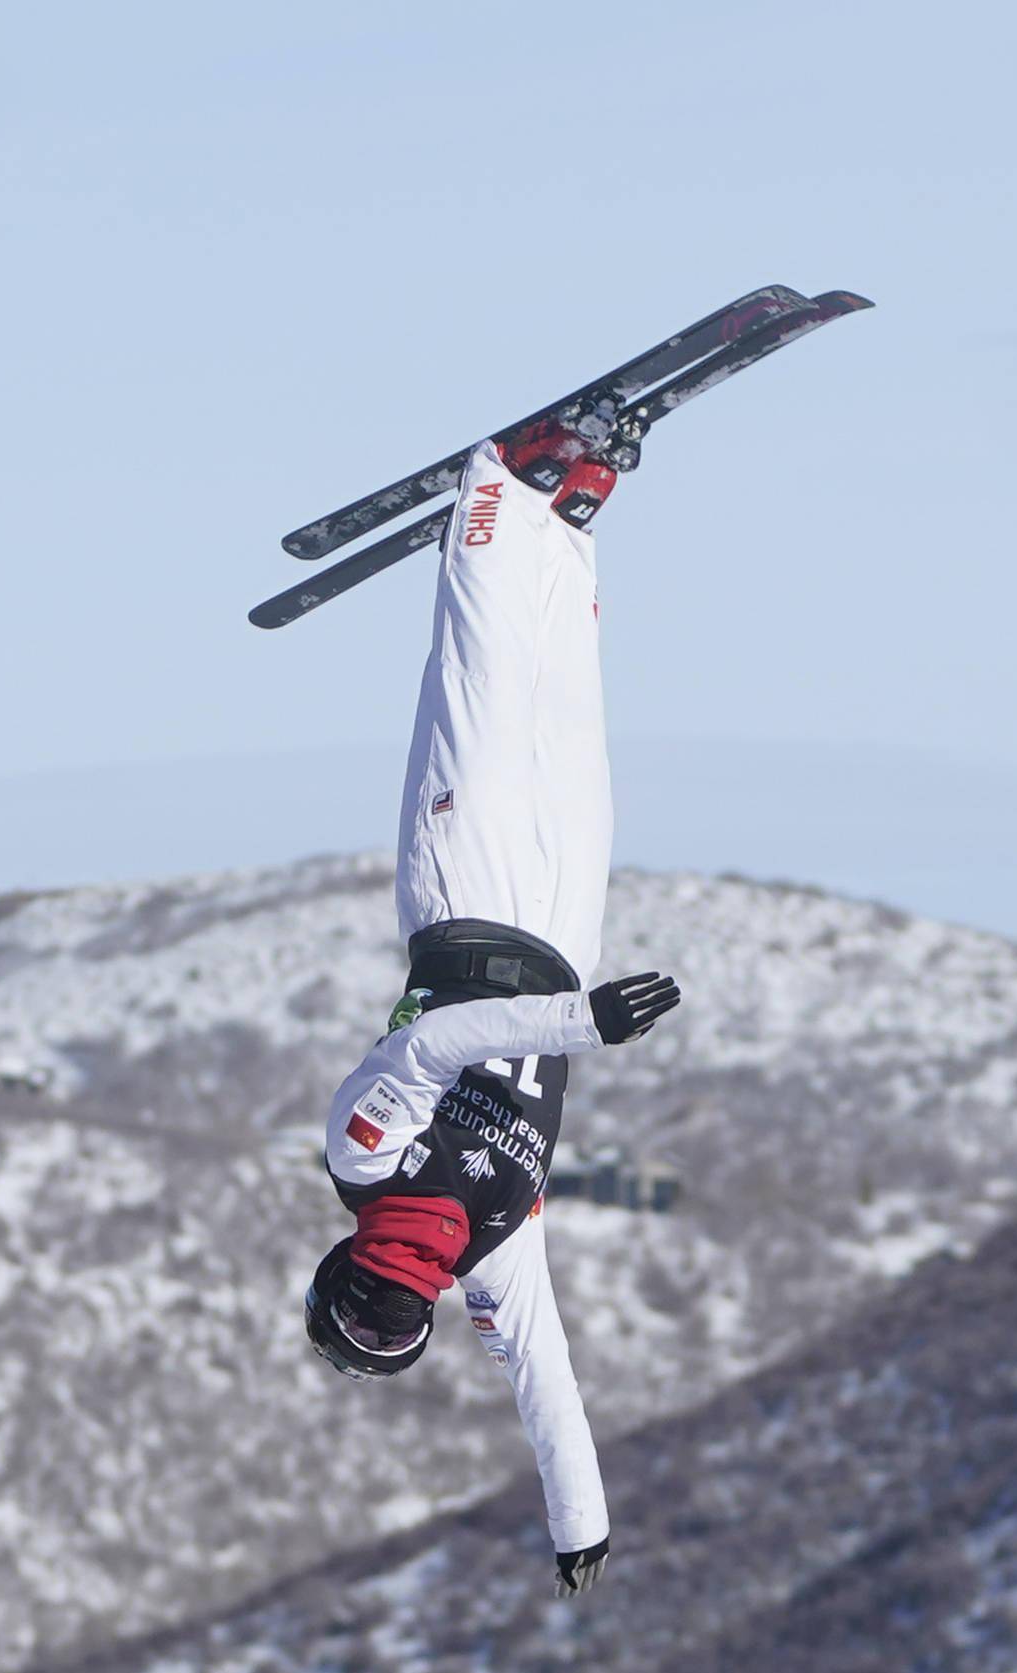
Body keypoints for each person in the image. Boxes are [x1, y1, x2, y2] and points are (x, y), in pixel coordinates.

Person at [302, 402, 681, 1597]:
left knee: (480, 694)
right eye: (385, 1333)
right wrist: (580, 1525)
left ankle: (494, 490)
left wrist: (586, 1028)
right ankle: (563, 526)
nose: (389, 1317)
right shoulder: (493, 1250)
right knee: (562, 714)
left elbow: (447, 1043)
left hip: (464, 899)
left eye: (372, 1322)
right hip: (561, 928)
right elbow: (544, 1387)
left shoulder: (365, 1158)